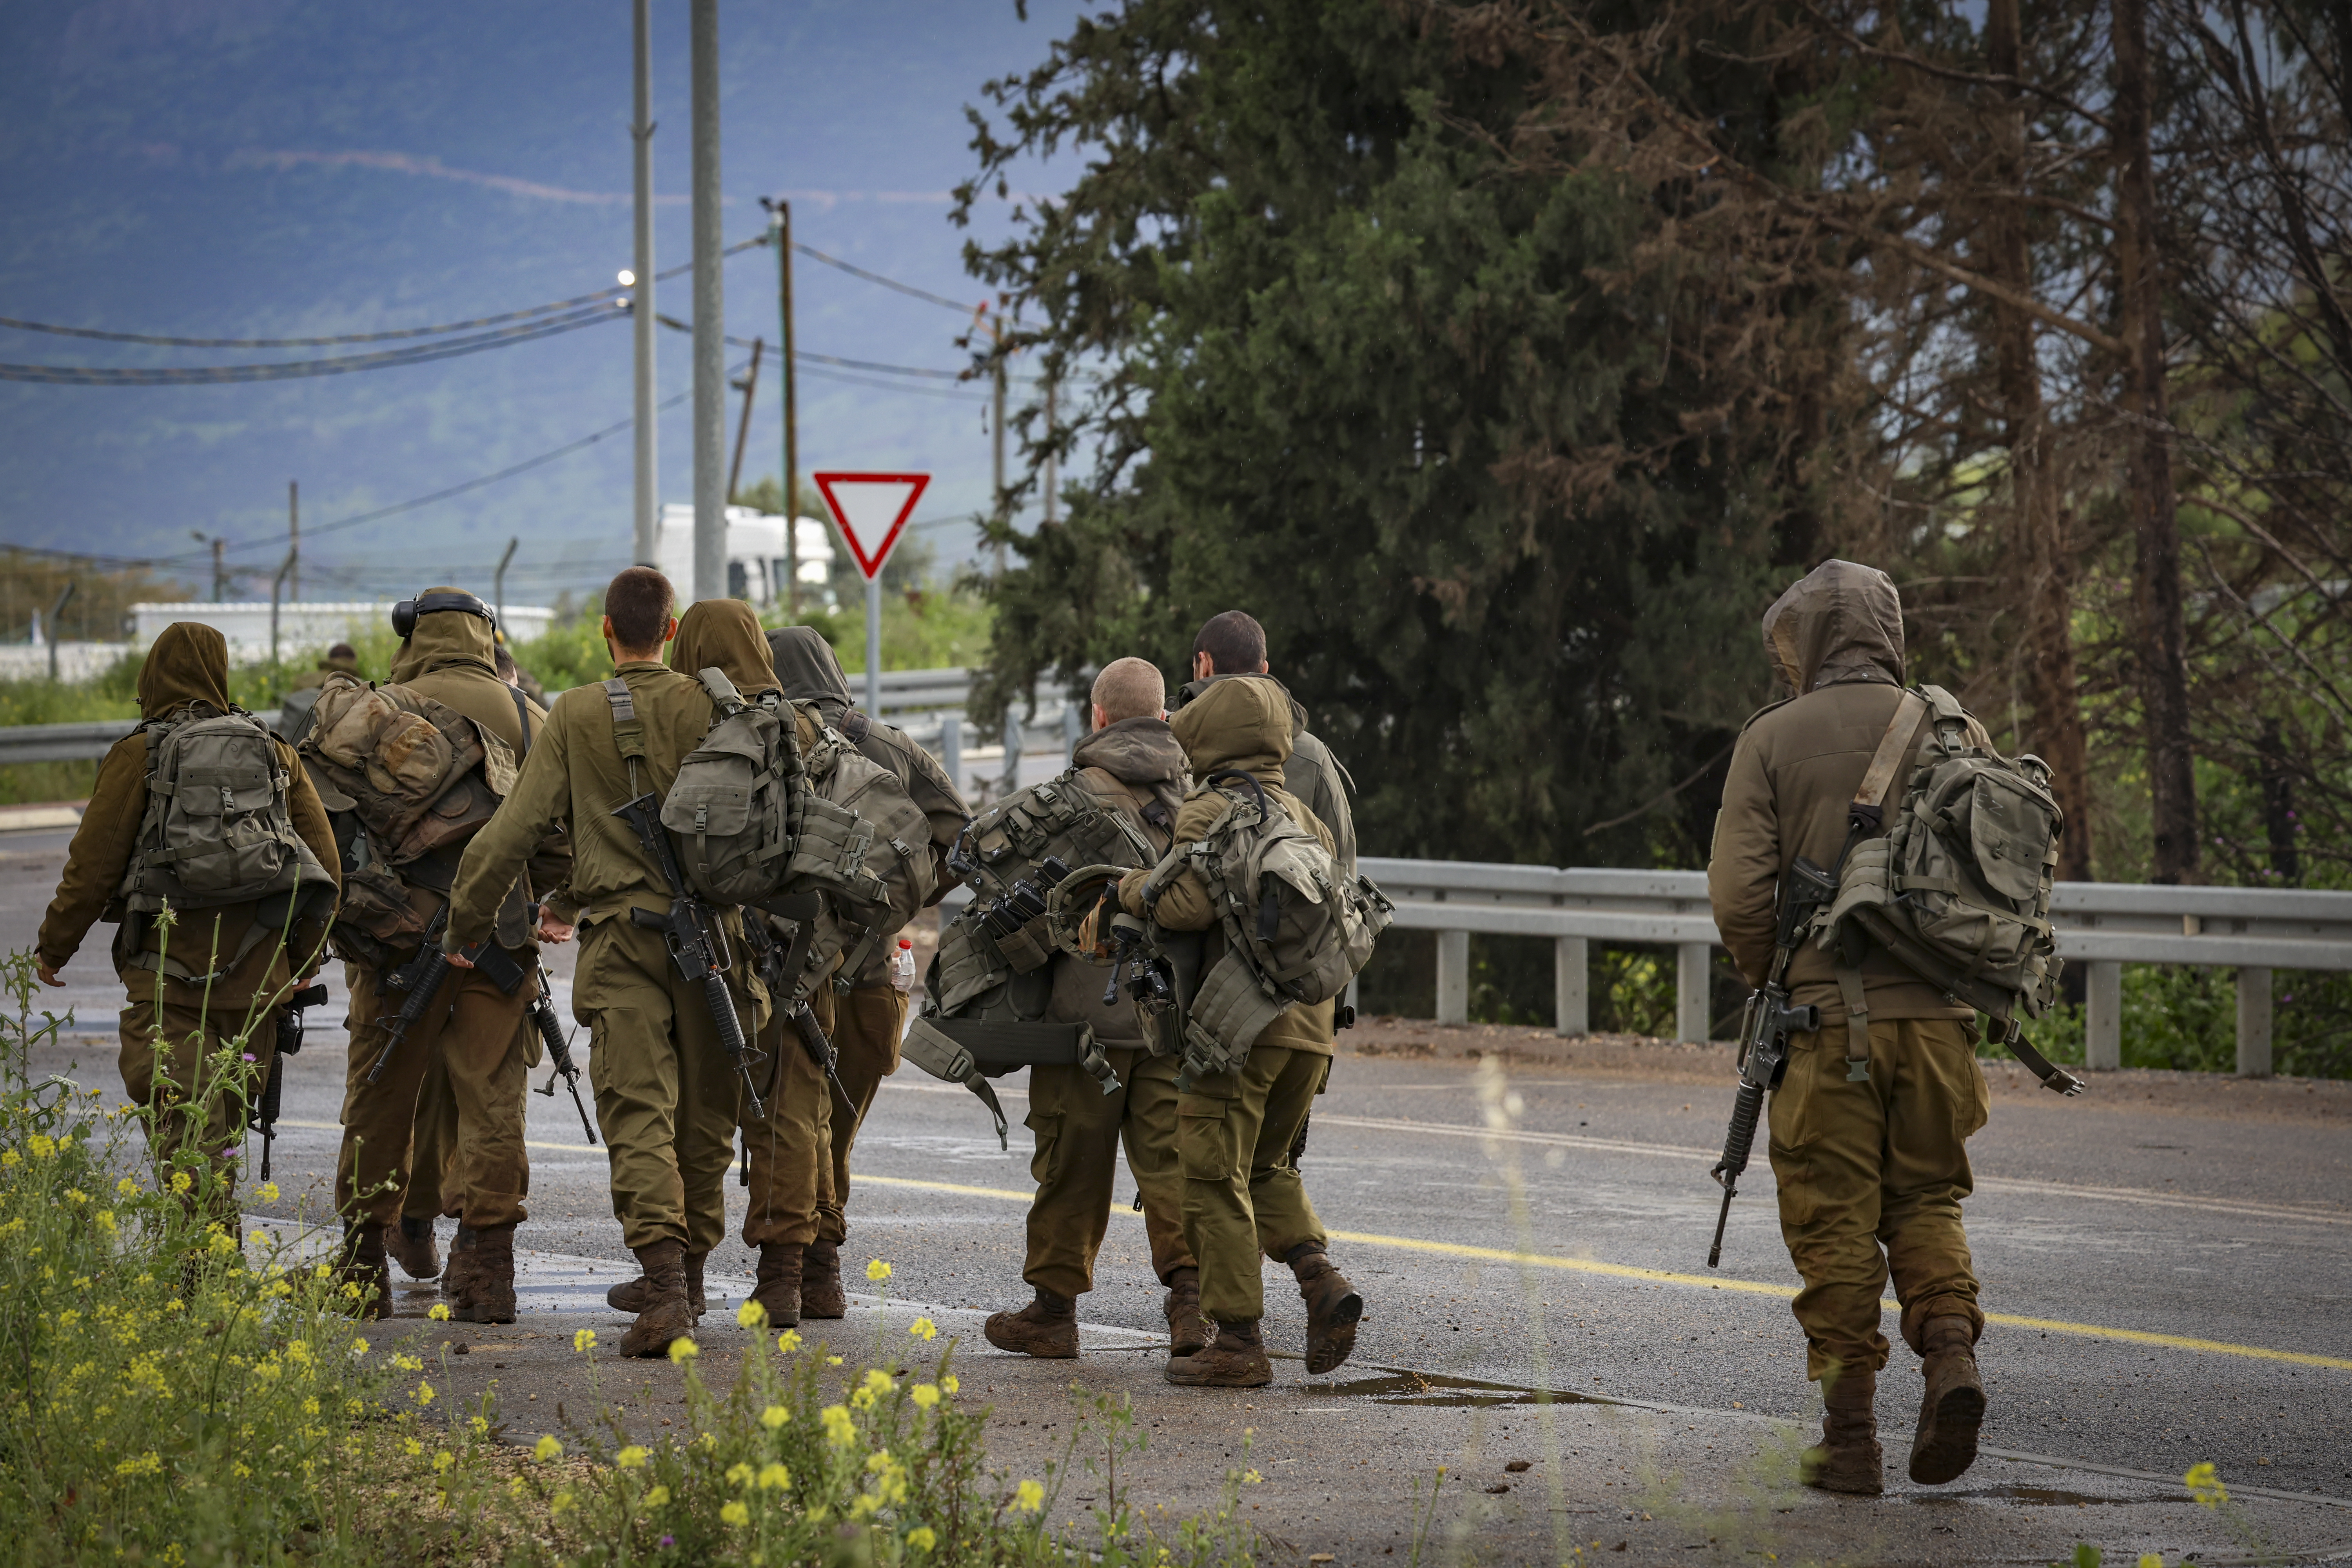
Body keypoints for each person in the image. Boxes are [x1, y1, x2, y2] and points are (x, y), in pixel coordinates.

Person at [1707, 558, 1994, 1496]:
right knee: (1927, 1202)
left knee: (1834, 1226)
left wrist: (1779, 980)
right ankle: (1949, 1351)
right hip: (1945, 1028)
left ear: (1807, 639)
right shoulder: (1954, 726)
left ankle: (1852, 1439)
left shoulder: (1772, 739)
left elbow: (1742, 896)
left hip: (1828, 1029)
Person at [443, 568, 757, 1357]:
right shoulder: (718, 708)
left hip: (625, 942)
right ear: (674, 629)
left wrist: (468, 921)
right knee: (707, 1115)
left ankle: (665, 1282)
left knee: (639, 1108)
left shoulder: (578, 712)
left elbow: (514, 830)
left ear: (607, 633)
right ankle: (683, 1271)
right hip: (719, 941)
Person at [36, 623, 340, 1216]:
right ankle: (216, 1285)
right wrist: (298, 964)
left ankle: (201, 1286)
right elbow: (325, 868)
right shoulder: (274, 750)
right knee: (220, 1144)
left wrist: (54, 948)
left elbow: (92, 868)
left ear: (151, 677)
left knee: (187, 1150)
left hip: (168, 984)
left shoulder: (139, 753)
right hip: (258, 989)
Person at [1110, 675, 1362, 1388]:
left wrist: (1131, 886)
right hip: (1309, 1030)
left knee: (1211, 1176)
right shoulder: (1299, 814)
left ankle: (1240, 1341)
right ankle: (1320, 1280)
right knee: (1267, 1167)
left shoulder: (1211, 806)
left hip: (1237, 1029)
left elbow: (1184, 902)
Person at [331, 589, 572, 1323]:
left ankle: (361, 1267)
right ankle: (488, 1271)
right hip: (499, 941)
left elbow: (332, 829)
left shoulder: (374, 713)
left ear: (414, 637)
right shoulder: (532, 716)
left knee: (382, 1093)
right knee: (495, 1097)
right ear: (484, 635)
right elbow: (564, 844)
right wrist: (537, 895)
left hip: (396, 942)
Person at [984, 656, 1203, 1361]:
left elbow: (1010, 898)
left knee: (1071, 1166)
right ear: (1165, 717)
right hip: (1174, 1021)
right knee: (1176, 1169)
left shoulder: (1064, 800)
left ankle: (1053, 1315)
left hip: (1083, 1026)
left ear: (1098, 716)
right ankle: (1192, 1309)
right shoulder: (1202, 796)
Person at [766, 626, 968, 1316]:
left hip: (785, 972)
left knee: (796, 1120)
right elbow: (960, 841)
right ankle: (823, 1271)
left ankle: (804, 1269)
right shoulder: (889, 744)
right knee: (837, 1128)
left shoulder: (762, 739)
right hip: (872, 976)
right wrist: (898, 903)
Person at [1173, 611, 1355, 876]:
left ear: (1204, 664)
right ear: (1265, 670)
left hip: (1193, 913)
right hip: (1293, 914)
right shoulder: (1313, 753)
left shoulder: (1174, 746)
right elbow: (1341, 866)